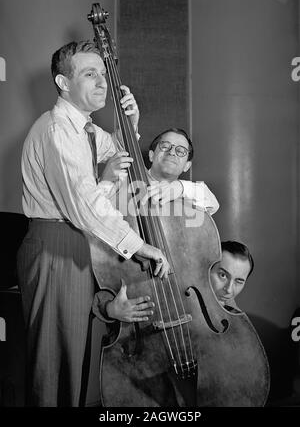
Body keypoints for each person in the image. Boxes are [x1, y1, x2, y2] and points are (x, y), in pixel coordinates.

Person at [16, 40, 170, 407]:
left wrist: (130, 124)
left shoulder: (82, 127)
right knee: (53, 364)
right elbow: (84, 205)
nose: (103, 82)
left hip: (73, 241)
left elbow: (118, 151)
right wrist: (141, 246)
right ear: (64, 83)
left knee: (72, 359)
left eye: (103, 73)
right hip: (55, 242)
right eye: (90, 74)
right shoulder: (58, 130)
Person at [93, 128, 219, 321]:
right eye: (165, 146)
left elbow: (213, 203)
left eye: (180, 151)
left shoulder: (187, 195)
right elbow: (93, 213)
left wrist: (179, 187)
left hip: (181, 299)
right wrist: (106, 180)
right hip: (133, 291)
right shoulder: (124, 180)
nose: (171, 152)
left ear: (187, 165)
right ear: (152, 154)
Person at [210, 240, 254, 311]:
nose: (228, 290)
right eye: (223, 275)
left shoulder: (237, 320)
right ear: (207, 271)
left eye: (238, 281)